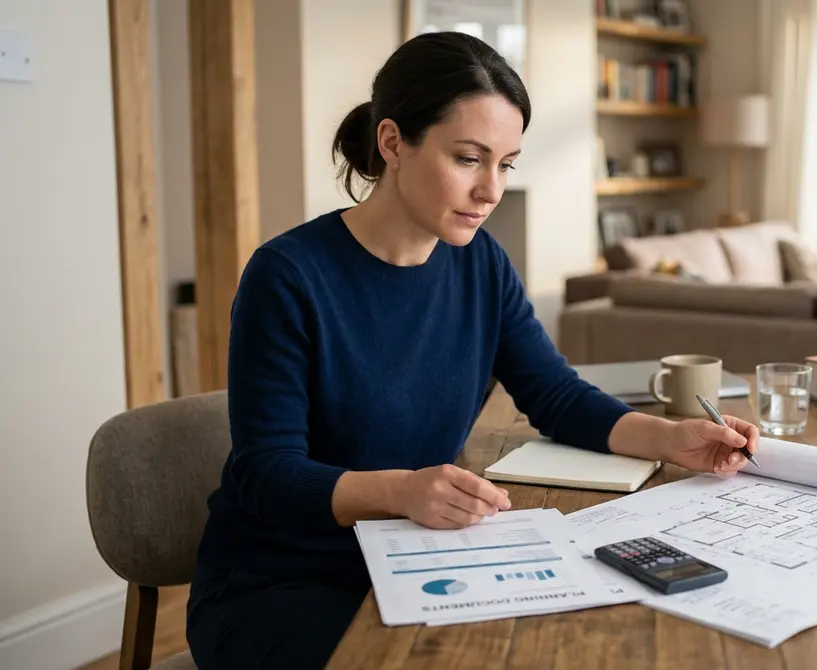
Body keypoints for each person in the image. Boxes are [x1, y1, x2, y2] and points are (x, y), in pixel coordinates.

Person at [184, 31, 759, 670]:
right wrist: (403, 491)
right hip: (281, 585)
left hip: (415, 557)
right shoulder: (287, 276)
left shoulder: (480, 263)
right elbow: (268, 476)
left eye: (506, 163)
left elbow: (555, 394)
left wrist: (670, 438)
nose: (492, 190)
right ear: (394, 143)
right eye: (468, 158)